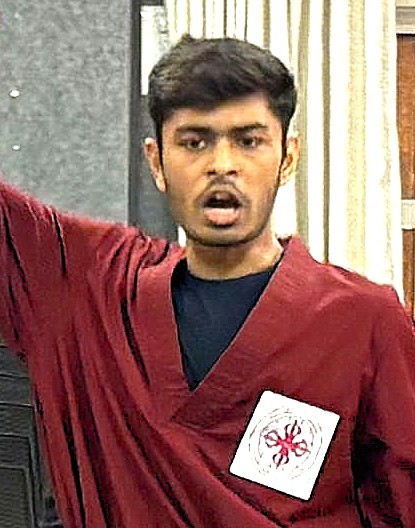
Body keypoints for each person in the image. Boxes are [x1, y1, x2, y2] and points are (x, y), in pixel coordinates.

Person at [0, 34, 414, 528]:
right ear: (157, 161)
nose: (222, 164)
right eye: (194, 142)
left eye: (249, 140)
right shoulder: (86, 286)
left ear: (287, 158)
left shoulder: (363, 321)